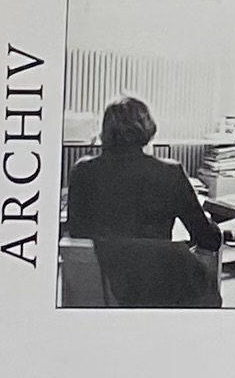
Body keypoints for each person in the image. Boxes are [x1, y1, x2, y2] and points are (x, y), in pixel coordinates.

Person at [65, 95, 223, 307]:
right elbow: (208, 239)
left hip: (102, 286)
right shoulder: (170, 172)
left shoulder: (82, 171)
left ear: (105, 130)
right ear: (148, 129)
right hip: (160, 289)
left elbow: (76, 230)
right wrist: (210, 222)